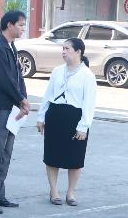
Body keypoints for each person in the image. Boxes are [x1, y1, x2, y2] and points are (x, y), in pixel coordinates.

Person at [36, 37, 97, 206]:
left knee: (75, 158)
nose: (63, 52)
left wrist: (84, 126)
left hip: (75, 118)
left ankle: (71, 192)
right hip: (55, 115)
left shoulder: (87, 75)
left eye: (67, 49)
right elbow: (48, 95)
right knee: (52, 155)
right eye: (62, 49)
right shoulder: (57, 71)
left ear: (78, 52)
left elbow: (89, 103)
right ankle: (54, 190)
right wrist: (41, 117)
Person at [0, 9, 29, 215]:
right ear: (9, 25)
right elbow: (5, 80)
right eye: (20, 25)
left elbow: (18, 77)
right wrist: (21, 99)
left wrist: (23, 99)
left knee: (6, 153)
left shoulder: (11, 46)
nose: (23, 28)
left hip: (11, 109)